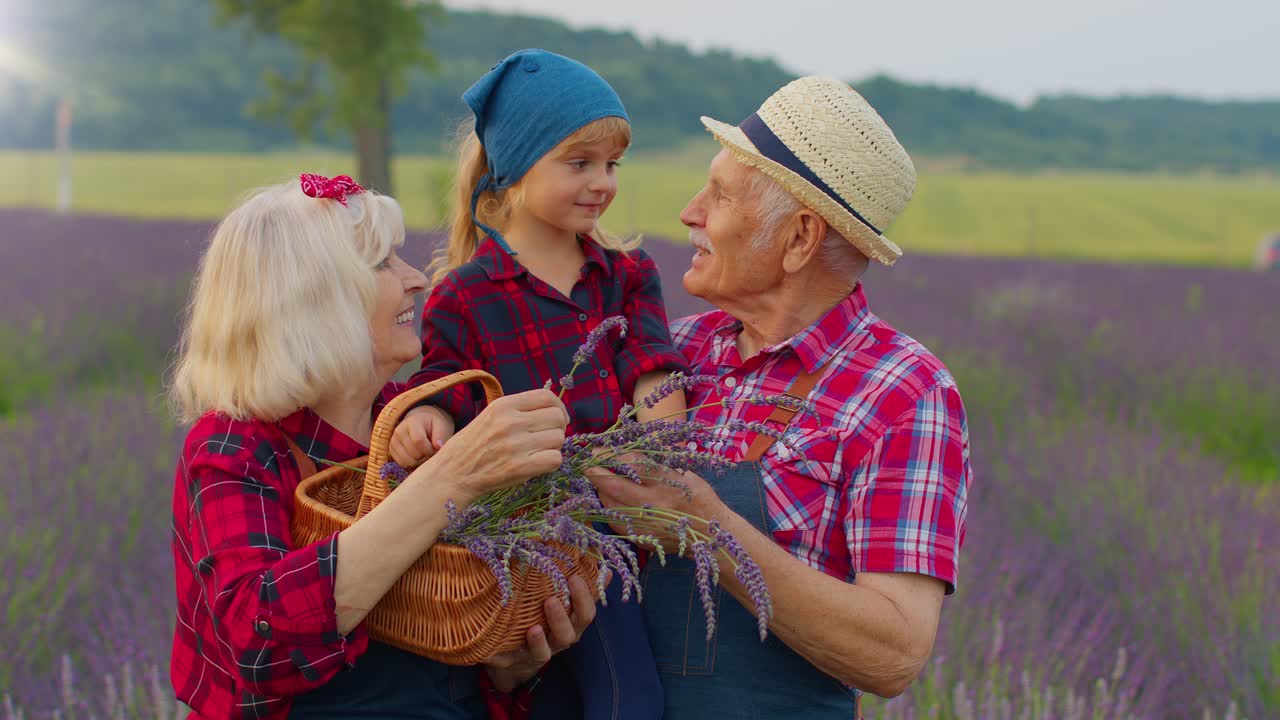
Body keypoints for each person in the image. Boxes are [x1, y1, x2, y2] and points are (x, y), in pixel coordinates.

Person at [591, 76, 973, 719]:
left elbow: (894, 652)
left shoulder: (905, 393)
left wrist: (710, 528)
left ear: (798, 239)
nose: (690, 212)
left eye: (719, 196)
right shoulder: (669, 354)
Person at [168, 173, 595, 719]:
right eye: (382, 265)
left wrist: (507, 666)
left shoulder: (418, 421)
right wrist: (450, 480)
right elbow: (259, 643)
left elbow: (457, 658)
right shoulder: (238, 445)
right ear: (312, 304)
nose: (417, 278)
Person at [388, 49, 688, 720]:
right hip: (532, 535)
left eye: (612, 165)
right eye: (579, 163)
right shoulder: (465, 296)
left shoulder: (625, 273)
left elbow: (653, 369)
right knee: (625, 697)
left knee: (586, 693)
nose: (602, 182)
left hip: (627, 515)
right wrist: (429, 418)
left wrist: (661, 442)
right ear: (517, 169)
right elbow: (446, 382)